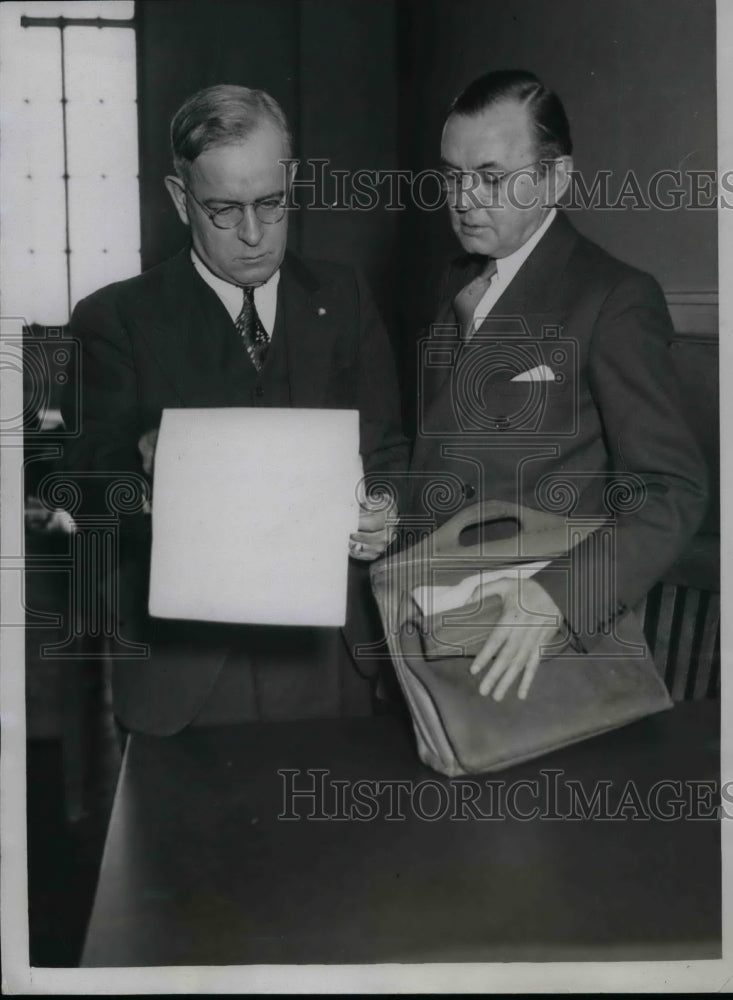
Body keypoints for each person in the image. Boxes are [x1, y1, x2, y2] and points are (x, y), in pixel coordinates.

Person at [61, 84, 408, 735]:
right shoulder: (115, 318)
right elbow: (83, 481)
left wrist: (383, 510)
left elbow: (386, 449)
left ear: (293, 180)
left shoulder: (345, 296)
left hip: (327, 664)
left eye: (271, 204)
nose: (253, 234)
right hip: (185, 677)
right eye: (223, 209)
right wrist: (142, 475)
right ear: (178, 198)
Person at [406, 69, 708, 700]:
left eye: (490, 177)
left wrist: (557, 597)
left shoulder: (616, 298)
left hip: (543, 661)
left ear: (556, 179)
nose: (463, 199)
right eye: (451, 176)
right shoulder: (455, 283)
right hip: (433, 639)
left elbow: (671, 489)